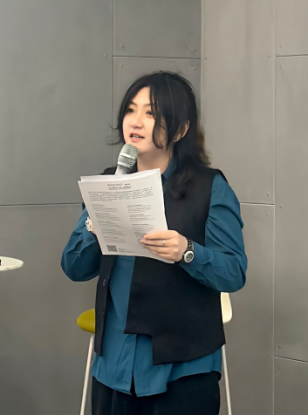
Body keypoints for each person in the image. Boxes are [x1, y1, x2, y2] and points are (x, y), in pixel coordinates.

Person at [62, 71, 247, 416]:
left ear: (179, 129)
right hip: (114, 365)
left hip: (183, 369)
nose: (135, 121)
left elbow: (234, 272)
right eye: (131, 110)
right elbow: (74, 266)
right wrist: (93, 226)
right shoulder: (109, 182)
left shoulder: (210, 188)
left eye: (151, 113)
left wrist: (187, 251)